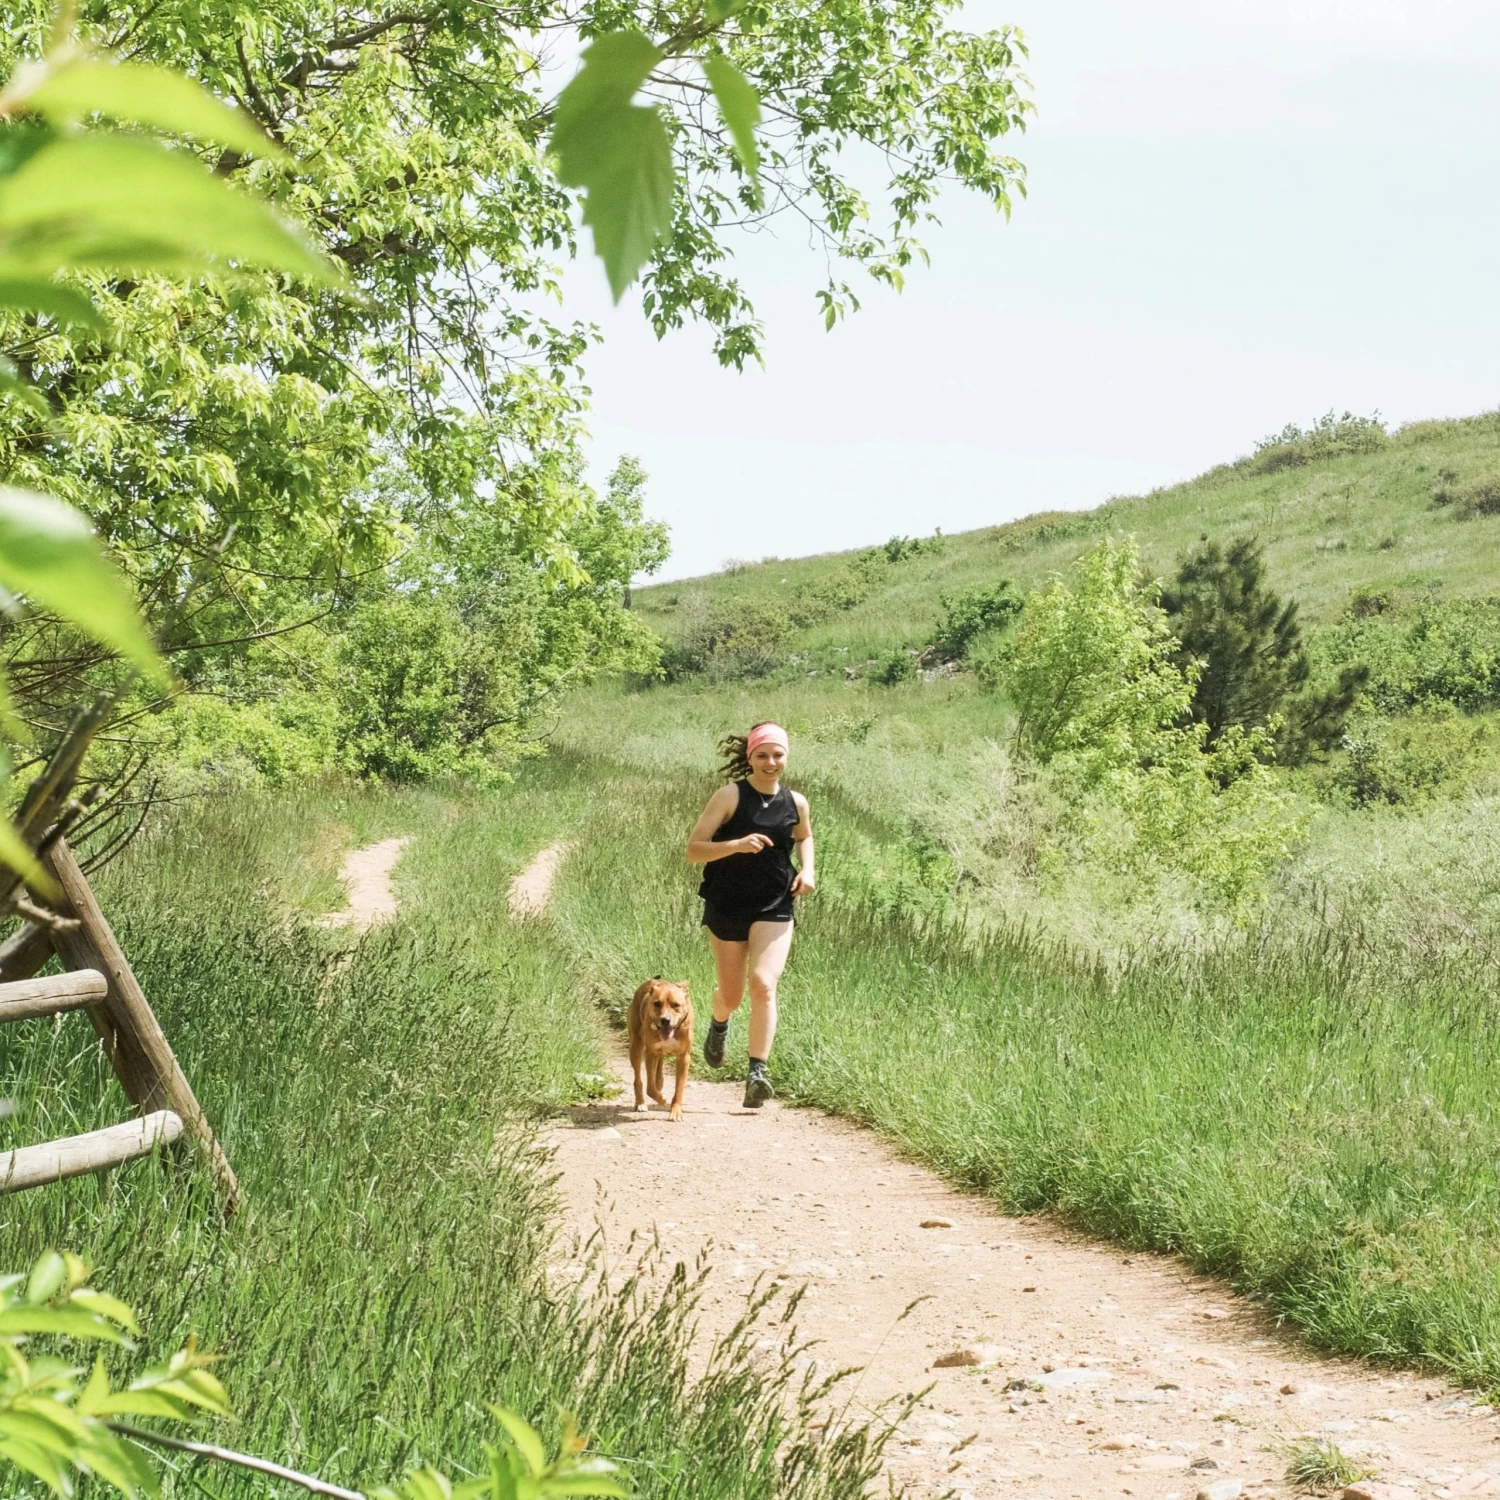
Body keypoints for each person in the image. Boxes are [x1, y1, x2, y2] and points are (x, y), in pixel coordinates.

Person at [686, 721, 815, 1108]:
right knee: (732, 995)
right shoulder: (730, 796)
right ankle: (719, 1022)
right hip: (727, 903)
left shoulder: (796, 802)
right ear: (750, 757)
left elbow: (804, 836)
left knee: (763, 983)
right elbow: (694, 849)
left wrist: (808, 870)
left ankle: (757, 1073)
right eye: (762, 755)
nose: (770, 762)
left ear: (787, 757)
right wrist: (736, 844)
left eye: (778, 755)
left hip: (775, 903)